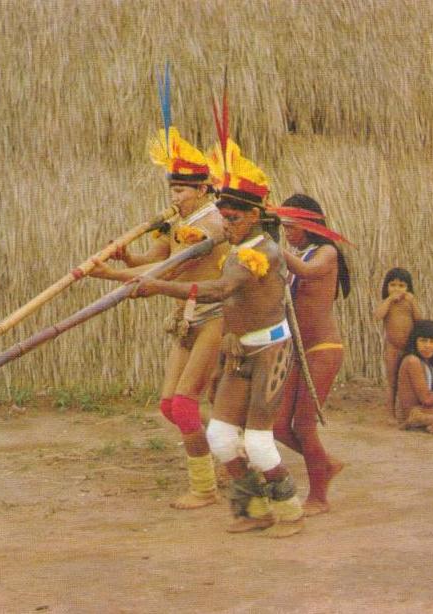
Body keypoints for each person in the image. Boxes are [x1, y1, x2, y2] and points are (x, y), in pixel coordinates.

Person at [131, 137, 304, 537]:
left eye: (234, 219)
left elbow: (217, 290)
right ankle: (254, 509)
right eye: (224, 218)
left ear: (256, 217)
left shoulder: (259, 253)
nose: (226, 226)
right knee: (222, 438)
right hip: (240, 350)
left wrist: (158, 287)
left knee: (259, 443)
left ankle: (290, 512)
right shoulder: (238, 245)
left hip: (270, 352)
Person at [90, 125, 228, 509]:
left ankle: (205, 489)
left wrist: (111, 275)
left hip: (215, 315)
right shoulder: (178, 222)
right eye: (172, 191)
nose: (175, 197)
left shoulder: (212, 225)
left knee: (185, 403)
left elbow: (167, 272)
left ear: (202, 189)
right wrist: (128, 260)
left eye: (182, 191)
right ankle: (225, 459)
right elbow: (153, 260)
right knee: (169, 405)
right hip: (185, 317)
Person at [272, 193, 349, 516]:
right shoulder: (294, 253)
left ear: (307, 225)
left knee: (303, 425)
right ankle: (324, 464)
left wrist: (271, 249)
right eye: (283, 228)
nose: (287, 233)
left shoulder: (326, 253)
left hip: (323, 348)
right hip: (298, 349)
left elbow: (307, 271)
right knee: (278, 426)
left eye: (291, 227)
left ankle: (319, 496)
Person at [374, 268, 421, 423]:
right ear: (386, 287)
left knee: (406, 381)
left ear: (408, 288)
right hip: (392, 347)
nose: (396, 289)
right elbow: (377, 316)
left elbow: (419, 320)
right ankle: (390, 413)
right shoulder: (387, 304)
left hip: (409, 348)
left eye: (401, 286)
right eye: (392, 285)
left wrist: (412, 301)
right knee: (391, 382)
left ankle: (406, 411)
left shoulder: (409, 302)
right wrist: (388, 300)